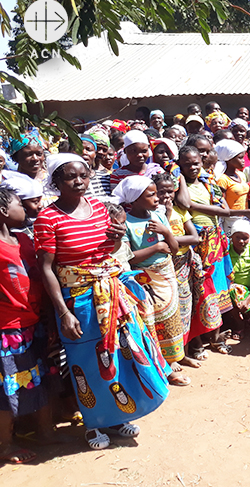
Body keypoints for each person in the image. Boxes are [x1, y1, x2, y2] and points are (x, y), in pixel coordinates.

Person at [35, 153, 169, 450]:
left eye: (84, 175)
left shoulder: (98, 207)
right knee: (87, 362)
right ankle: (93, 423)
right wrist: (63, 313)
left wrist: (118, 237)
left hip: (109, 294)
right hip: (77, 301)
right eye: (71, 177)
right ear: (56, 181)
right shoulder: (48, 217)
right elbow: (47, 268)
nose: (79, 182)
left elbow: (110, 249)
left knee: (117, 355)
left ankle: (119, 414)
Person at [176, 145, 250, 357]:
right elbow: (185, 203)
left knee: (218, 291)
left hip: (215, 240)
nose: (192, 167)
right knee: (200, 293)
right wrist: (183, 182)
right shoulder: (179, 182)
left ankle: (216, 338)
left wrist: (214, 209)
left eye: (196, 163)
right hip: (198, 241)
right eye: (186, 164)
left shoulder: (207, 181)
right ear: (179, 164)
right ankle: (197, 344)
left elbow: (222, 208)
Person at [112, 176, 189, 387]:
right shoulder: (125, 221)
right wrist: (155, 247)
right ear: (135, 199)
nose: (157, 198)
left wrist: (165, 232)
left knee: (172, 316)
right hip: (143, 276)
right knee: (150, 320)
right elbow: (129, 256)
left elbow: (173, 248)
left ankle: (173, 357)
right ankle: (160, 364)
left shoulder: (158, 216)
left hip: (166, 271)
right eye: (151, 195)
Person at [0, 187, 57, 464]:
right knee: (8, 387)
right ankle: (5, 444)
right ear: (3, 212)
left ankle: (45, 430)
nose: (25, 209)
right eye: (19, 204)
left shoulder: (22, 239)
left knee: (40, 377)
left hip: (34, 322)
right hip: (7, 328)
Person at [153, 172, 201, 368]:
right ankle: (169, 358)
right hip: (163, 267)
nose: (166, 196)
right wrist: (165, 220)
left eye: (169, 192)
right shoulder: (153, 215)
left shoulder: (180, 212)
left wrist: (170, 238)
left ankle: (183, 353)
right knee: (166, 313)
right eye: (161, 192)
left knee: (184, 309)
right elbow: (158, 242)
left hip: (183, 264)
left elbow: (195, 237)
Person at [214, 139, 250, 237]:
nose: (243, 161)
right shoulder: (222, 179)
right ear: (229, 159)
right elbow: (222, 206)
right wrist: (245, 212)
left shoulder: (240, 175)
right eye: (240, 158)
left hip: (244, 219)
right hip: (230, 221)